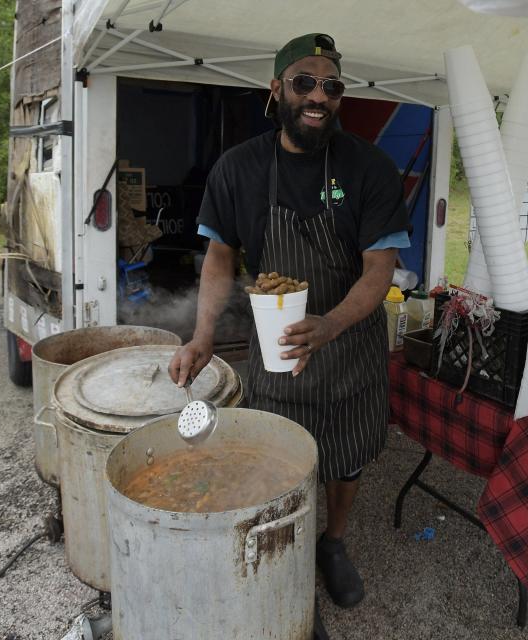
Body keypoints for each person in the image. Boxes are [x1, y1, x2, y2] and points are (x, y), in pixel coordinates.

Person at [169, 33, 411, 637]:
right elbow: (221, 259)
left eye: (331, 86)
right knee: (279, 463)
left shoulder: (368, 168)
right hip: (276, 352)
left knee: (347, 456)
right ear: (274, 91)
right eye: (304, 82)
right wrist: (201, 336)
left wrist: (329, 323)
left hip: (349, 344)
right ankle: (293, 567)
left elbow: (379, 268)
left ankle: (333, 543)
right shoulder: (238, 169)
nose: (319, 96)